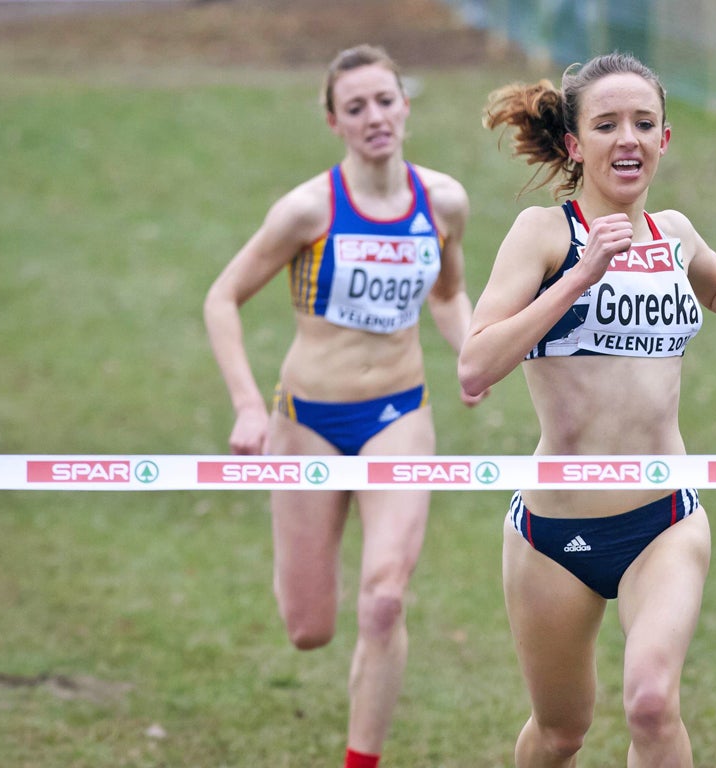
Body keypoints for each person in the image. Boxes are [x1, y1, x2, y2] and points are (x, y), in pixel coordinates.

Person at [458, 52, 716, 767]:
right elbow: (475, 364)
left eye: (644, 123)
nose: (629, 139)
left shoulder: (674, 232)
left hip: (662, 519)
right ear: (577, 145)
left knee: (650, 703)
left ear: (664, 139)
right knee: (560, 732)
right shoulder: (545, 235)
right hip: (554, 533)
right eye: (607, 125)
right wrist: (581, 276)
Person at [204, 44, 487, 768]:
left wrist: (475, 352)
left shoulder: (443, 202)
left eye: (385, 101)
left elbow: (449, 296)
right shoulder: (308, 209)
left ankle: (362, 760)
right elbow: (222, 299)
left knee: (385, 599)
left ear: (406, 106)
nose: (374, 118)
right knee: (309, 628)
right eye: (355, 107)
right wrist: (246, 407)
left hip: (400, 416)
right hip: (307, 423)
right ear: (334, 121)